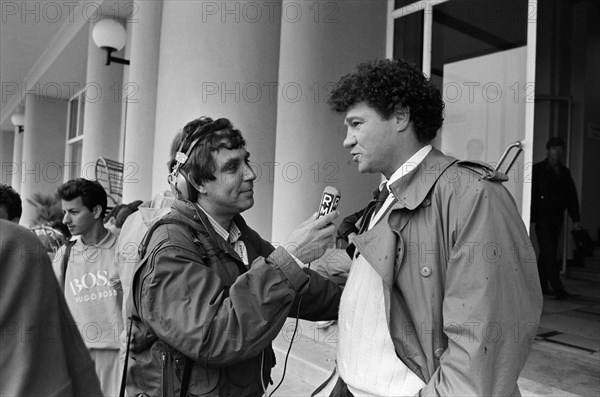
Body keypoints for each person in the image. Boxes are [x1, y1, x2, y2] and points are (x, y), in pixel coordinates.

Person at [315, 58, 542, 396]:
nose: (347, 140)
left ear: (400, 116)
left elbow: (486, 341)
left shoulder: (473, 195)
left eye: (356, 124)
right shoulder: (387, 196)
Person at [126, 116, 342, 397]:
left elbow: (303, 290)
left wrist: (359, 297)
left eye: (246, 161)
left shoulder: (239, 235)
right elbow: (216, 335)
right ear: (196, 181)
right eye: (232, 167)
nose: (250, 174)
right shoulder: (170, 249)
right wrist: (292, 255)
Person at [0, 220, 103, 397]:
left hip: (108, 343)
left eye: (74, 212)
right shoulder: (18, 243)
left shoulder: (17, 244)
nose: (66, 220)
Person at [53, 178, 123, 397]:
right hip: (77, 356)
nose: (66, 220)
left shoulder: (123, 250)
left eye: (73, 212)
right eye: (65, 212)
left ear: (96, 211)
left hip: (118, 355)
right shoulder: (65, 254)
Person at [531, 137, 581, 299]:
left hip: (557, 217)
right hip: (543, 217)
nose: (557, 151)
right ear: (548, 150)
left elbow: (571, 196)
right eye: (554, 148)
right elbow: (531, 193)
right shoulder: (538, 169)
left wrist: (576, 219)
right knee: (549, 252)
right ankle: (558, 288)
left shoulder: (564, 172)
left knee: (546, 253)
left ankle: (541, 286)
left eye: (560, 148)